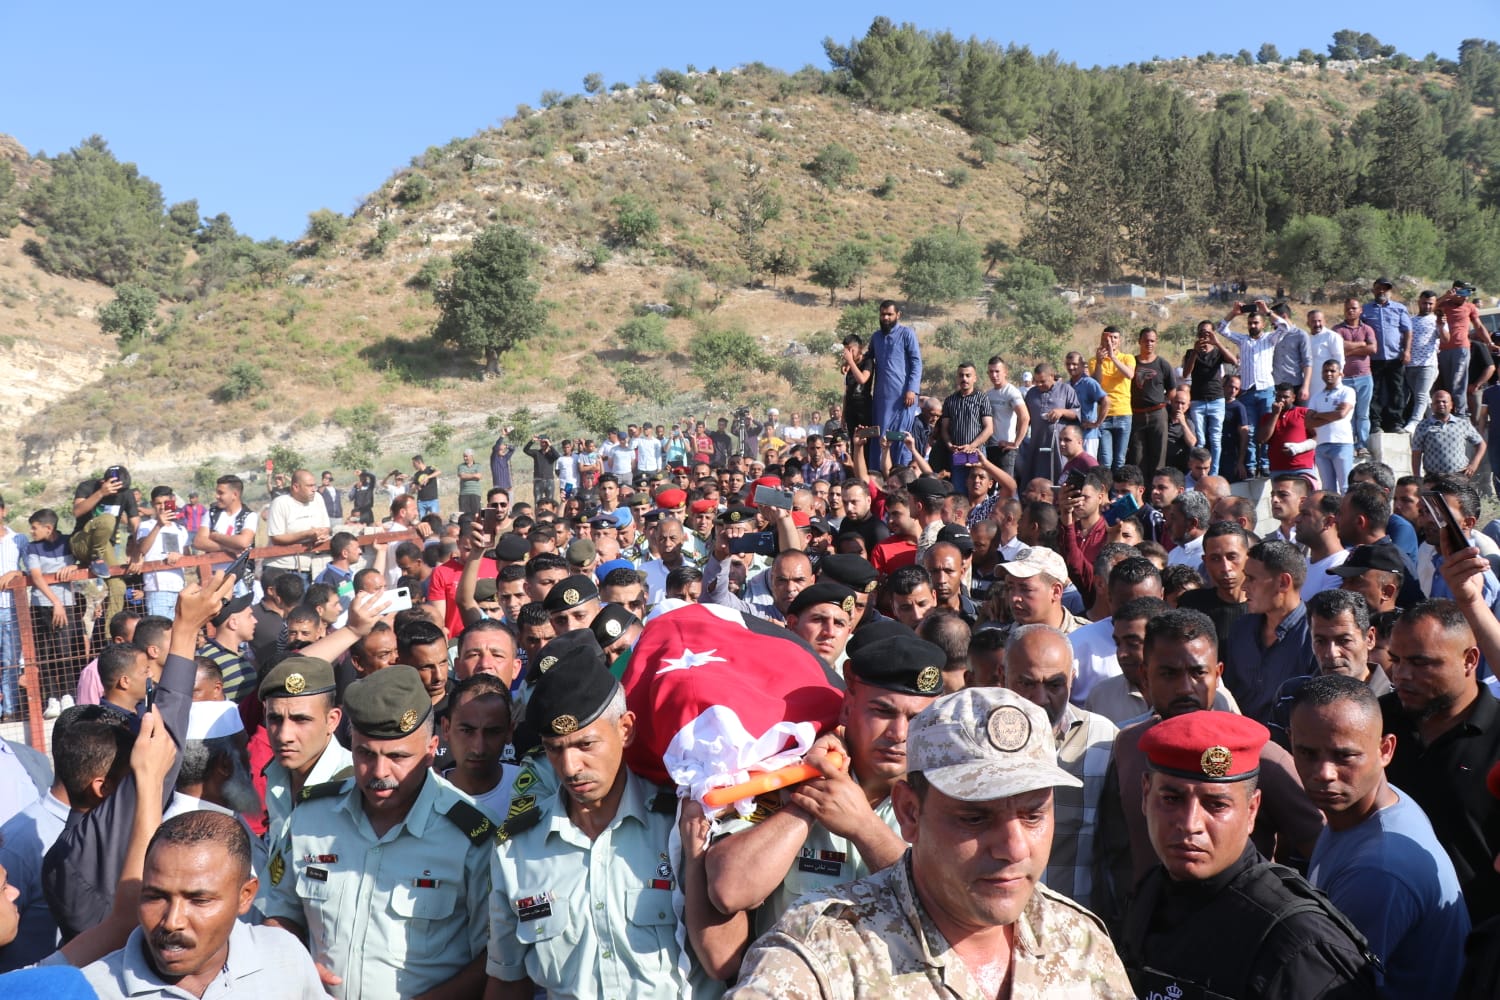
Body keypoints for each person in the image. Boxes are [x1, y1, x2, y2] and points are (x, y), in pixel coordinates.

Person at [727, 687, 1134, 999]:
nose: (1014, 848)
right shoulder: (825, 949)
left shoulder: (1079, 940)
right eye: (974, 818)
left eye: (1033, 815)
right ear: (909, 813)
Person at [487, 633, 737, 997]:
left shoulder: (681, 824)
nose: (570, 767)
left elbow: (728, 958)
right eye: (554, 749)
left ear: (625, 729)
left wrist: (697, 855)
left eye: (585, 744)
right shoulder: (516, 850)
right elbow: (508, 980)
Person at [262, 665, 492, 998]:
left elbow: (495, 957)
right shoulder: (311, 817)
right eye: (365, 754)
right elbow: (279, 909)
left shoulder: (470, 835)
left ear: (431, 751)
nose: (379, 772)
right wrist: (292, 961)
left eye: (398, 756)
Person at [1117, 711, 1378, 997]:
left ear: (1252, 810)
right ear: (1145, 795)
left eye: (1216, 805)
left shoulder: (1297, 942)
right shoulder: (1151, 892)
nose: (1190, 824)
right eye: (1171, 799)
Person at [706, 634, 944, 935]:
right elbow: (729, 891)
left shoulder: (945, 801)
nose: (899, 733)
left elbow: (943, 915)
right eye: (883, 712)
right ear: (847, 709)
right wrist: (810, 797)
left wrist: (864, 826)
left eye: (916, 718)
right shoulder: (788, 774)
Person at [1288, 674, 1469, 999]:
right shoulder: (1380, 803)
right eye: (1307, 753)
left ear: (1385, 750)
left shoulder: (1377, 871)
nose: (1324, 773)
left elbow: (1323, 988)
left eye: (1344, 756)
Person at [80, 810, 325, 999]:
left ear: (245, 896)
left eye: (199, 900)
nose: (172, 922)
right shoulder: (91, 990)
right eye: (156, 897)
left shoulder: (284, 957)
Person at [1381, 598, 1500, 923]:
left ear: (1469, 659)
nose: (1401, 674)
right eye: (1395, 660)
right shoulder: (1375, 720)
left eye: (1421, 663)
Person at [1003, 625, 1117, 913]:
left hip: (1075, 924)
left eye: (1054, 685)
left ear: (1073, 678)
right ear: (1002, 677)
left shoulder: (1102, 740)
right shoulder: (976, 739)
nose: (1040, 698)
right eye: (1026, 683)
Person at [257, 656, 352, 847]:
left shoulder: (355, 787)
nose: (284, 736)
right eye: (275, 719)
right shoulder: (276, 775)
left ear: (332, 720)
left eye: (301, 720)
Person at [867, 300, 923, 466]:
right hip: (882, 399)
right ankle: (878, 476)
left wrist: (912, 389)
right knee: (881, 438)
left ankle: (901, 473)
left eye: (889, 314)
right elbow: (867, 358)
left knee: (900, 437)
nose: (886, 318)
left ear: (898, 315)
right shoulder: (876, 337)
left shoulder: (907, 334)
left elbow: (916, 363)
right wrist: (850, 362)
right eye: (883, 314)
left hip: (904, 398)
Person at [1181, 321, 1238, 475]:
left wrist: (1217, 342)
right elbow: (1186, 373)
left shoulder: (1218, 352)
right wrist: (1195, 352)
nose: (1204, 335)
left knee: (1215, 438)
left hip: (1216, 399)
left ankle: (1213, 473)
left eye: (1207, 332)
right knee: (1200, 440)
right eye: (1201, 332)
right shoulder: (1191, 352)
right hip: (1198, 400)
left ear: (1213, 333)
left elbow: (1234, 361)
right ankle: (1197, 472)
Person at [1364, 278, 1414, 437]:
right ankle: (1375, 423)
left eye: (1385, 289)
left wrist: (1407, 351)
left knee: (1396, 391)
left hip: (1395, 357)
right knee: (1374, 391)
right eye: (1379, 288)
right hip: (1374, 358)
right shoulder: (1365, 309)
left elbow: (1407, 331)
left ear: (1390, 291)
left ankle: (1395, 423)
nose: (1382, 291)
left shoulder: (1399, 308)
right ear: (1373, 290)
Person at [1019, 362, 1079, 485]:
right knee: (1036, 478)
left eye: (1042, 381)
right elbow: (1025, 418)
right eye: (1036, 381)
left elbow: (1077, 413)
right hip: (1037, 443)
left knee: (1060, 476)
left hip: (1058, 444)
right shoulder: (1031, 393)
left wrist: (1062, 412)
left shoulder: (1066, 390)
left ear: (1052, 376)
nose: (1039, 385)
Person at [1126, 327, 1175, 478]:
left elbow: (1172, 390)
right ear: (1139, 341)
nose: (1149, 343)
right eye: (1146, 340)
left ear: (1156, 342)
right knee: (1137, 456)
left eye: (1152, 341)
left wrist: (1162, 404)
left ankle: (1157, 489)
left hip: (1157, 415)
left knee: (1159, 456)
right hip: (1136, 415)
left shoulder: (1163, 364)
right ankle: (1139, 489)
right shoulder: (1131, 363)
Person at [1306, 359, 1356, 492]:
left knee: (1346, 486)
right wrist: (1332, 415)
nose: (1328, 374)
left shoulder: (1347, 391)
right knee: (1328, 489)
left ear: (1340, 374)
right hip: (1321, 445)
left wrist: (1318, 415)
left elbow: (1341, 414)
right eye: (1325, 371)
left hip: (1341, 443)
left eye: (1332, 371)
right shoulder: (1316, 396)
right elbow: (1308, 422)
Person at [1090, 327, 1135, 473]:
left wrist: (1113, 357)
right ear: (1101, 340)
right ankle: (1106, 487)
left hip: (1123, 413)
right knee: (1105, 460)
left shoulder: (1127, 358)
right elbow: (1096, 383)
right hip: (1104, 415)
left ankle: (1118, 487)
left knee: (1120, 460)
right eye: (1107, 338)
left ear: (1119, 341)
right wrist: (1099, 363)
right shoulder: (1094, 361)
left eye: (1114, 338)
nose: (1111, 341)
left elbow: (1129, 374)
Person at [1412, 389, 1486, 478]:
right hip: (1433, 477)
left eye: (1444, 401)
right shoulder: (1423, 425)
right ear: (1431, 406)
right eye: (1437, 402)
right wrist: (1416, 477)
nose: (1441, 404)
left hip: (1459, 476)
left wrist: (1474, 464)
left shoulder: (1462, 423)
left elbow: (1481, 444)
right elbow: (1416, 452)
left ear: (1451, 405)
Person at [984, 355, 1029, 479]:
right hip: (990, 447)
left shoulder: (1011, 392)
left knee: (1006, 485)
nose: (994, 375)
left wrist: (1016, 443)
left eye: (997, 371)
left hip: (1005, 449)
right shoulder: (988, 394)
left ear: (1005, 372)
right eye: (991, 372)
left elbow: (1025, 417)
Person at [1404, 290, 1442, 431]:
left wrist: (1441, 325)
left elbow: (1446, 338)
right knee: (1423, 397)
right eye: (1425, 303)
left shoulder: (1436, 320)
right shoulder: (1411, 321)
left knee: (1420, 395)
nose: (1427, 306)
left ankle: (1414, 422)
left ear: (1435, 304)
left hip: (1428, 364)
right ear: (1419, 302)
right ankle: (1436, 422)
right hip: (1411, 365)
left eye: (1430, 304)